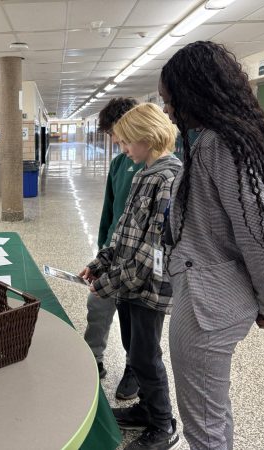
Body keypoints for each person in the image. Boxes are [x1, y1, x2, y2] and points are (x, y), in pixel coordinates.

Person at [159, 41, 264, 450]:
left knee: (204, 424)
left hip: (208, 305)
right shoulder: (215, 140)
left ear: (195, 92)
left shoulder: (219, 145)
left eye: (170, 99)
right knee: (211, 412)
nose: (167, 110)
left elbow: (258, 234)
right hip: (208, 293)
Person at [81, 103, 182, 450]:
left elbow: (151, 250)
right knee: (133, 349)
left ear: (147, 137)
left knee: (145, 356)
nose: (123, 149)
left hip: (148, 288)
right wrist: (101, 263)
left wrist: (106, 284)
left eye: (126, 142)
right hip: (128, 285)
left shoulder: (169, 177)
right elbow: (124, 232)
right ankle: (145, 410)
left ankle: (163, 423)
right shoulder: (141, 172)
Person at [83, 97, 142, 402]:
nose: (114, 141)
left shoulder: (154, 166)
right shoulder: (119, 163)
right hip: (113, 251)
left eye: (115, 133)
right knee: (97, 304)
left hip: (138, 261)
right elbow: (109, 210)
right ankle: (93, 358)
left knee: (134, 320)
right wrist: (101, 252)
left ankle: (135, 368)